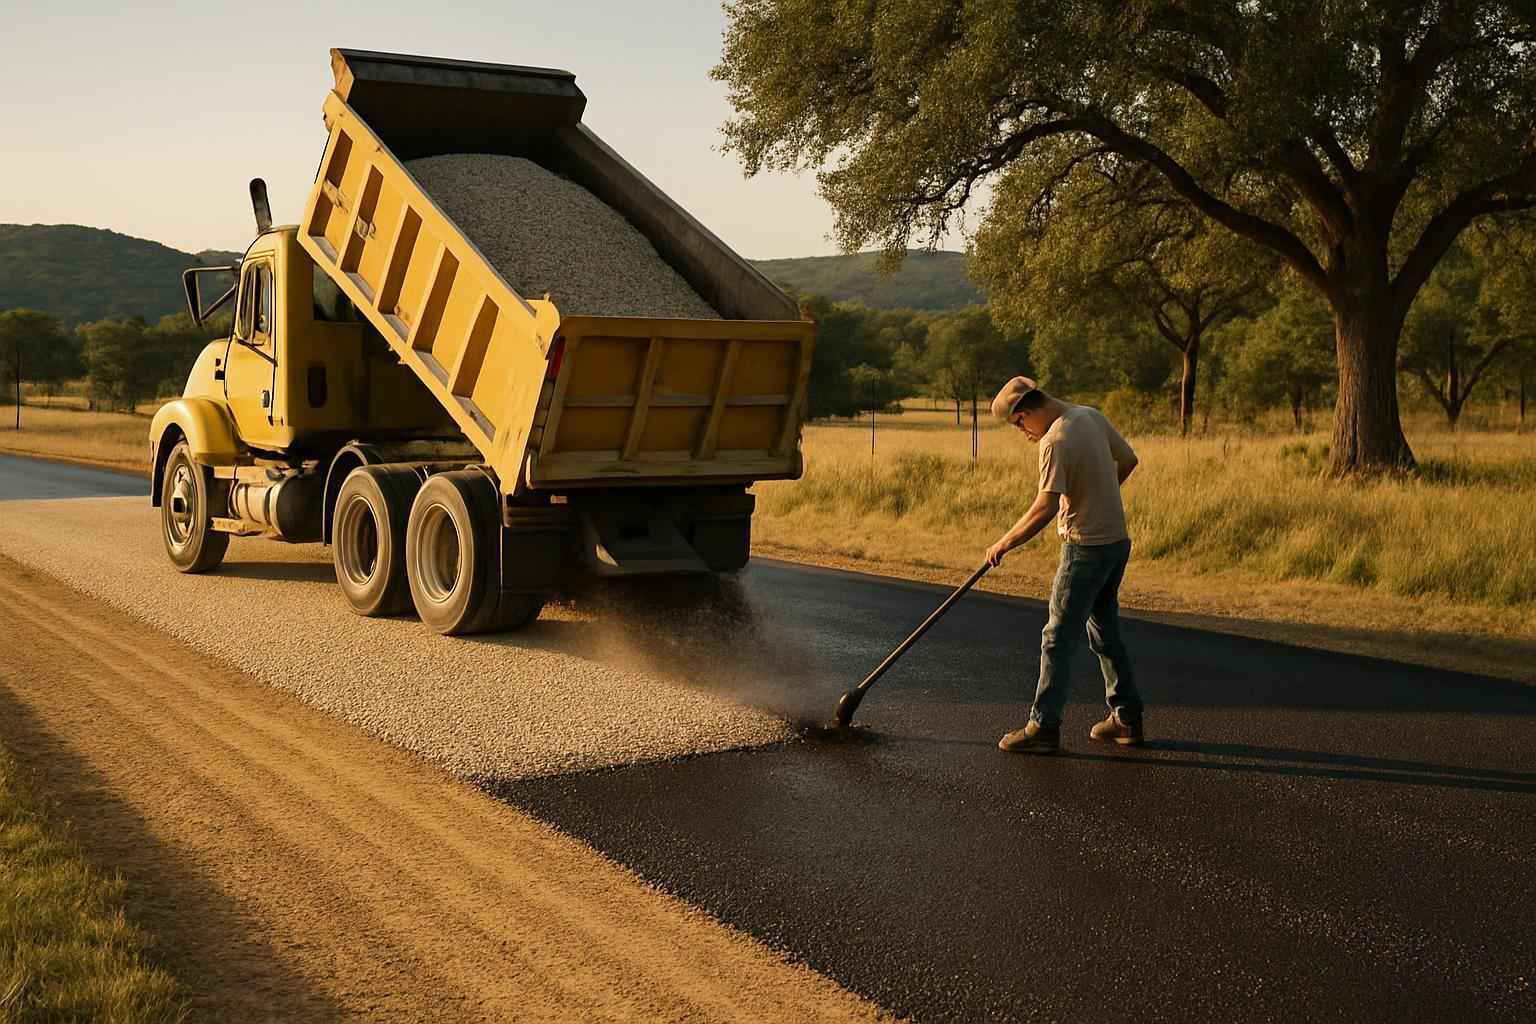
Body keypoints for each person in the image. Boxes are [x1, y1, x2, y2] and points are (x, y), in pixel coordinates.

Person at [983, 376, 1143, 754]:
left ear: (1024, 414)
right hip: (1116, 543)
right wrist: (1097, 493)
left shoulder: (1054, 440)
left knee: (1056, 639)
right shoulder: (1090, 415)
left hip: (1085, 549)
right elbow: (1129, 459)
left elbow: (1045, 506)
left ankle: (1043, 727)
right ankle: (1127, 719)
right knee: (1104, 632)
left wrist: (1004, 543)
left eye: (1018, 425)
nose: (1023, 433)